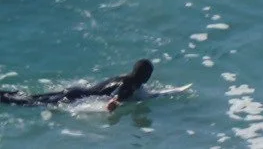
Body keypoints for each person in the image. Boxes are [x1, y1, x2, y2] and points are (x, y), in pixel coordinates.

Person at [0, 58, 153, 110]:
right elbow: (118, 98)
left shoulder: (124, 77)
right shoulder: (131, 85)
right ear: (145, 75)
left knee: (30, 98)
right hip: (75, 98)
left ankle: (5, 94)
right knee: (28, 103)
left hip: (76, 91)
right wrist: (115, 105)